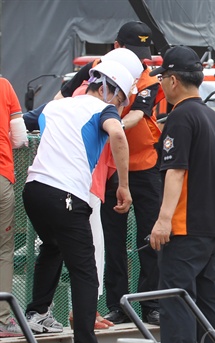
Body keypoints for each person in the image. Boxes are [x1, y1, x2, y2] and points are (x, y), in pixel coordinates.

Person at [22, 60, 133, 343]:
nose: (120, 106)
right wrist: (123, 186)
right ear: (110, 90)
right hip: (67, 195)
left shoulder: (56, 107)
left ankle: (38, 312)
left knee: (52, 245)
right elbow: (118, 136)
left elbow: (19, 124)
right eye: (122, 98)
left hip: (34, 191)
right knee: (85, 271)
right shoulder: (103, 111)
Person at [58, 21, 163, 326]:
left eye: (143, 53)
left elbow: (136, 116)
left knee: (150, 237)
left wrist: (107, 123)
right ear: (117, 46)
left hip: (143, 166)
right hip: (107, 170)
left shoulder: (147, 79)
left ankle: (151, 304)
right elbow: (63, 96)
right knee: (112, 240)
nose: (139, 60)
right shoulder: (95, 68)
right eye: (132, 50)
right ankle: (118, 305)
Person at [148, 45, 215, 343]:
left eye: (162, 79)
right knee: (209, 301)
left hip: (183, 228)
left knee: (176, 302)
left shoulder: (180, 117)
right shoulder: (214, 119)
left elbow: (176, 170)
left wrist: (164, 218)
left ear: (172, 80)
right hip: (211, 228)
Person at [0, 76, 27, 337]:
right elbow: (19, 137)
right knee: (3, 249)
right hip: (0, 175)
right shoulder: (4, 85)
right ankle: (1, 319)